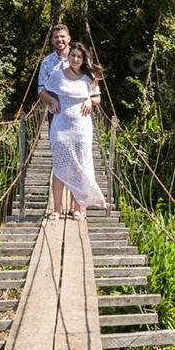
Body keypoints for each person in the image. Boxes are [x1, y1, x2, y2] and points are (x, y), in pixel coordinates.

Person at [39, 42, 105, 220]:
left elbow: (97, 97)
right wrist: (52, 102)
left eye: (79, 56)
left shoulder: (88, 77)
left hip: (82, 128)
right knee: (59, 166)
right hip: (60, 127)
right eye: (73, 55)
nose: (75, 59)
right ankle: (58, 209)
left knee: (80, 166)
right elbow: (43, 92)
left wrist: (90, 101)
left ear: (83, 59)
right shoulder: (57, 75)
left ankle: (77, 207)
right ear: (68, 57)